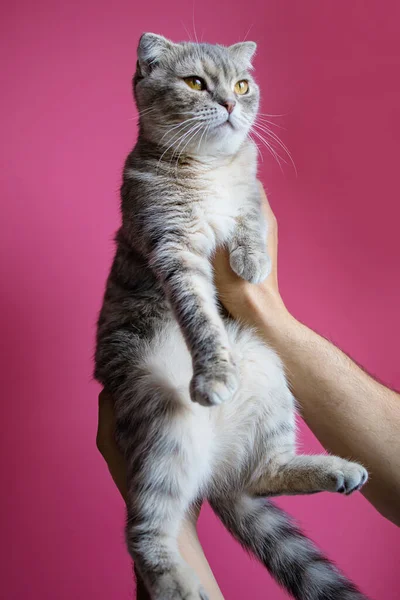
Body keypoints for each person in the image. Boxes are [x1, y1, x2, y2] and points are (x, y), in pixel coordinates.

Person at [96, 183, 400, 600]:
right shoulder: (147, 174)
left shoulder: (238, 158)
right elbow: (175, 260)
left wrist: (245, 239)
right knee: (171, 398)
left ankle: (269, 467)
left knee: (262, 359)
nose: (227, 111)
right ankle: (157, 543)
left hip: (222, 348)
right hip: (150, 333)